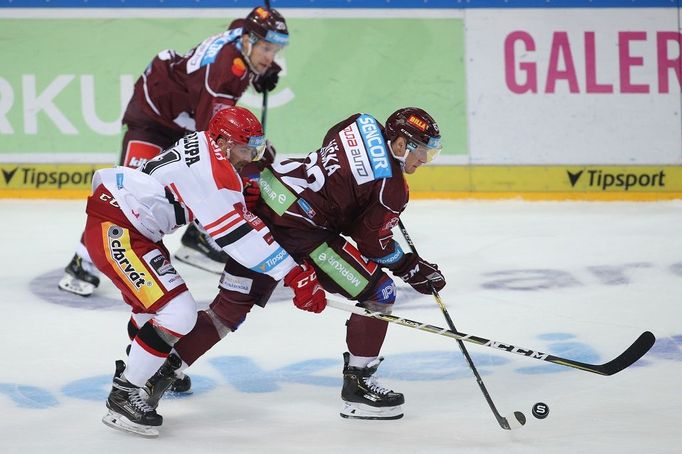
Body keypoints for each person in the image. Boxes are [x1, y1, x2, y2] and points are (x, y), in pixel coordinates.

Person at [152, 107, 447, 421]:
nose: (423, 161)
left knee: (228, 309)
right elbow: (372, 244)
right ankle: (359, 385)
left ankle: (158, 370)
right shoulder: (393, 190)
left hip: (264, 203)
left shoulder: (361, 122)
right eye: (422, 153)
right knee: (380, 292)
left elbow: (330, 144)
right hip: (303, 233)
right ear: (400, 145)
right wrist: (410, 267)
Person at [83, 106, 325, 437]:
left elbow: (194, 198)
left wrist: (237, 196)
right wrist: (293, 273)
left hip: (129, 224)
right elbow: (241, 239)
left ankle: (143, 368)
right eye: (245, 148)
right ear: (224, 142)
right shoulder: (217, 175)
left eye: (254, 147)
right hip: (118, 230)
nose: (250, 156)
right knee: (179, 313)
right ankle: (124, 395)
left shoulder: (203, 142)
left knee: (151, 310)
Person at [59, 6, 289, 296]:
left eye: (275, 50)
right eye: (266, 49)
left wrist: (263, 72)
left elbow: (237, 24)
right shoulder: (222, 74)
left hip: (182, 115)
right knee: (125, 196)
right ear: (248, 40)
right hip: (151, 117)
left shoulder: (242, 37)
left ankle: (199, 237)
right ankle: (83, 263)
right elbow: (212, 138)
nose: (270, 57)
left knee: (195, 178)